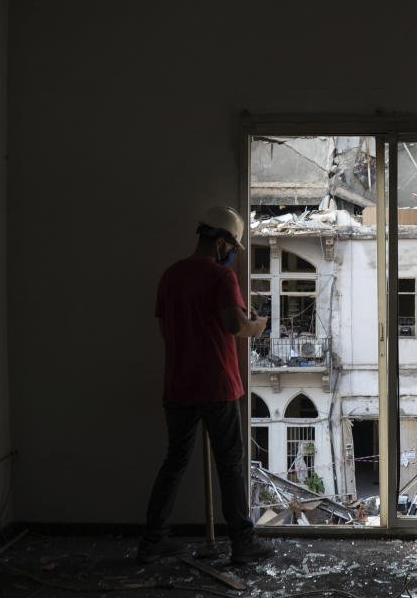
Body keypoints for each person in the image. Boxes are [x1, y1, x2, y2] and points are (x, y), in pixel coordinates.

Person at [139, 206, 272, 565]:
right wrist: (257, 327)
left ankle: (153, 540)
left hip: (178, 385)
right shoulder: (220, 278)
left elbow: (165, 330)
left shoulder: (170, 276)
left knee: (175, 461)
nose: (232, 255)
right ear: (221, 242)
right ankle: (242, 543)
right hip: (217, 385)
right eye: (232, 248)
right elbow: (234, 325)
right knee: (230, 465)